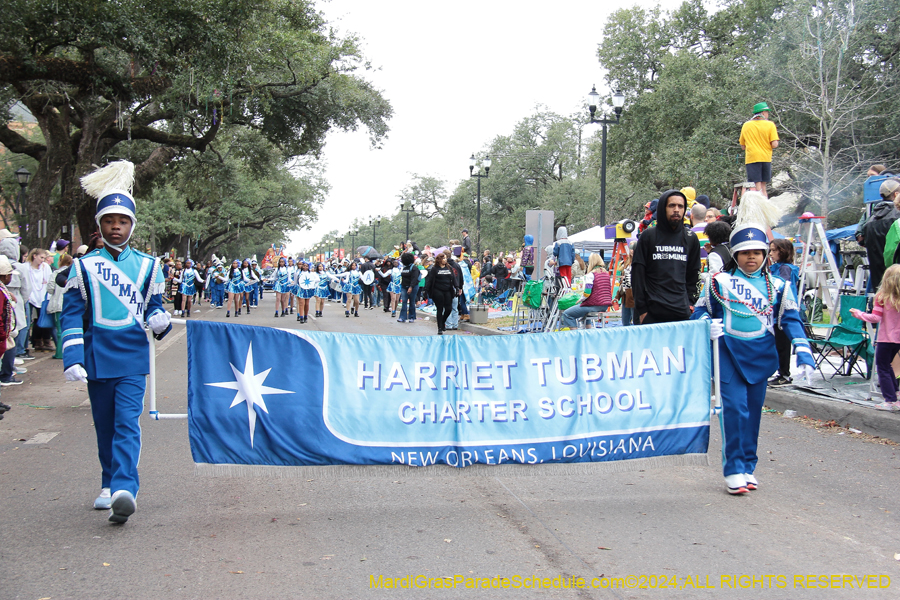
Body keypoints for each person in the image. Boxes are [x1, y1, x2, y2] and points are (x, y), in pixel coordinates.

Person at [62, 160, 171, 523]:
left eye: (122, 221)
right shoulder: (83, 267)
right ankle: (109, 483)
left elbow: (155, 311)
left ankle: (126, 487)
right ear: (100, 225)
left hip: (132, 358)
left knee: (127, 422)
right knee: (105, 425)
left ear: (131, 225)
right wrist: (72, 357)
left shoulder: (148, 266)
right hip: (97, 357)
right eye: (109, 221)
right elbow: (71, 315)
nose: (116, 226)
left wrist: (160, 321)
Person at [692, 223, 814, 495]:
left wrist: (803, 351)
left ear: (765, 255)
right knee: (735, 410)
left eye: (757, 252)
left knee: (753, 415)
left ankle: (748, 465)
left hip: (761, 355)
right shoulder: (717, 282)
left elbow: (791, 320)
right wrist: (705, 324)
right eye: (745, 252)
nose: (751, 257)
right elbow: (699, 313)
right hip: (728, 354)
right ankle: (734, 468)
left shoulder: (778, 285)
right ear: (736, 255)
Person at [632, 190, 701, 324]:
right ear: (663, 208)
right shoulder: (648, 236)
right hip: (652, 312)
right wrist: (642, 310)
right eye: (672, 206)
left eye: (680, 206)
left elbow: (695, 273)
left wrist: (690, 302)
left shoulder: (691, 238)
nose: (676, 210)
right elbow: (637, 275)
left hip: (681, 311)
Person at [850, 264, 900, 411]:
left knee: (882, 367)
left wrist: (858, 314)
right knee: (888, 365)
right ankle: (896, 393)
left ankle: (889, 399)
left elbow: (875, 318)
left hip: (885, 339)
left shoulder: (882, 297)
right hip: (898, 340)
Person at [560, 254, 612, 330]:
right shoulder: (606, 274)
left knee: (567, 314)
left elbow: (587, 292)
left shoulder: (591, 275)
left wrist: (581, 299)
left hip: (593, 306)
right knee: (585, 313)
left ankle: (575, 336)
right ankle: (588, 331)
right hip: (604, 306)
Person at [739, 102, 780, 197]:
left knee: (757, 186)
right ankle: (764, 206)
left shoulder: (746, 125)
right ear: (763, 113)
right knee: (763, 187)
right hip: (766, 158)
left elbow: (743, 146)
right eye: (767, 112)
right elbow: (774, 144)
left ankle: (759, 206)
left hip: (752, 158)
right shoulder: (770, 125)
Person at [424, 253, 455, 335]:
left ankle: (443, 321)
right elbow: (430, 280)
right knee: (440, 309)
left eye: (446, 258)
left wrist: (457, 287)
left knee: (449, 308)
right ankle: (440, 328)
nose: (445, 260)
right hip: (437, 290)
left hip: (448, 290)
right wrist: (426, 290)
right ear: (439, 259)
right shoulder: (434, 269)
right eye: (443, 258)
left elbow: (453, 278)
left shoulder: (449, 268)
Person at [397, 252, 421, 323]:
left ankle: (412, 317)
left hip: (413, 287)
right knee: (404, 301)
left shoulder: (414, 268)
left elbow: (414, 278)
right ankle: (402, 317)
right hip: (404, 286)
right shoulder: (404, 267)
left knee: (412, 301)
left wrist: (411, 287)